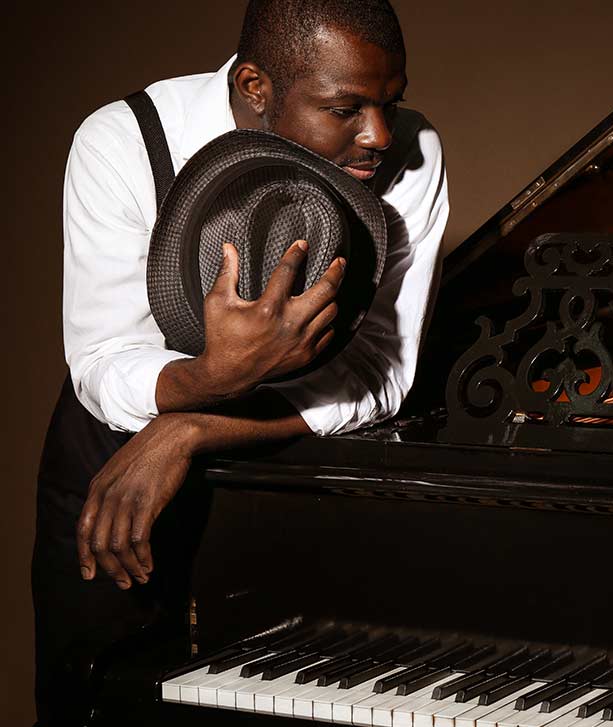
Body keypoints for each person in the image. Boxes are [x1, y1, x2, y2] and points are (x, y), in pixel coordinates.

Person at [32, 0, 449, 723]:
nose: (380, 134)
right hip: (115, 466)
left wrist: (189, 429)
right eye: (345, 107)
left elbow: (380, 371)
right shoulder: (123, 142)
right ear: (256, 88)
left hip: (286, 475)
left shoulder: (411, 153)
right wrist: (210, 380)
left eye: (391, 101)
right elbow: (102, 360)